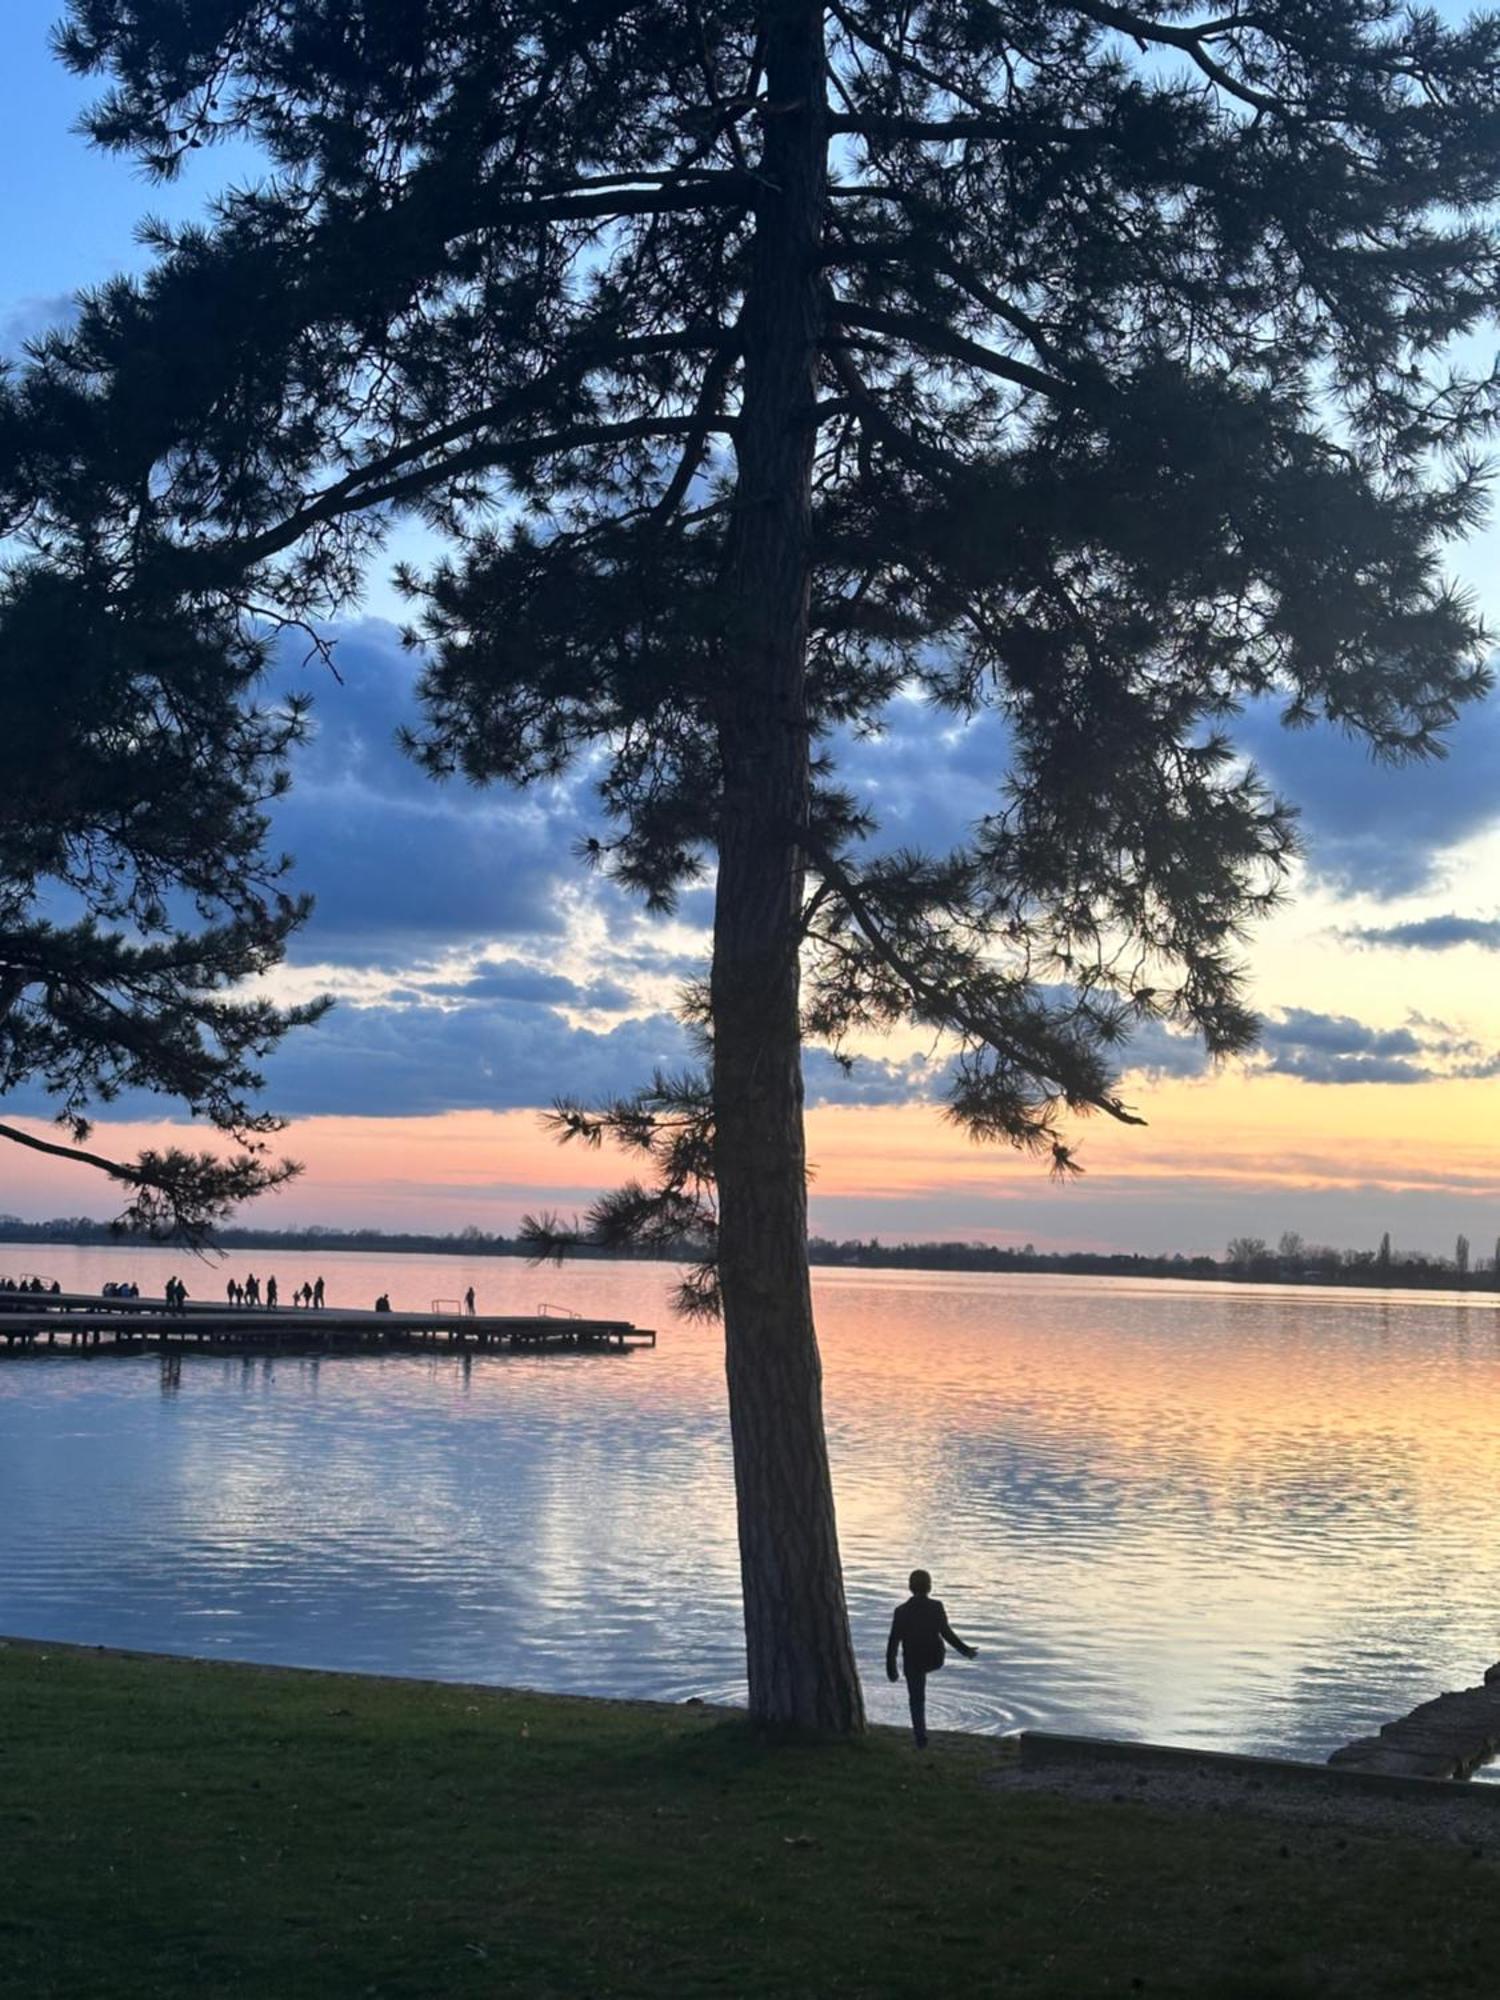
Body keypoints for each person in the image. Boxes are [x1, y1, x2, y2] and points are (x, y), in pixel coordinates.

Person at [886, 1569, 977, 1750]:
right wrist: (965, 1650)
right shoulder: (936, 1607)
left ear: (910, 1587)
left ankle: (920, 1738)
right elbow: (946, 1633)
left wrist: (891, 1667)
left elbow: (893, 1641)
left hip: (913, 1660)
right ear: (929, 1587)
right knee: (920, 1683)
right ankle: (921, 1738)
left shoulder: (901, 1611)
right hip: (934, 1657)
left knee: (916, 1698)